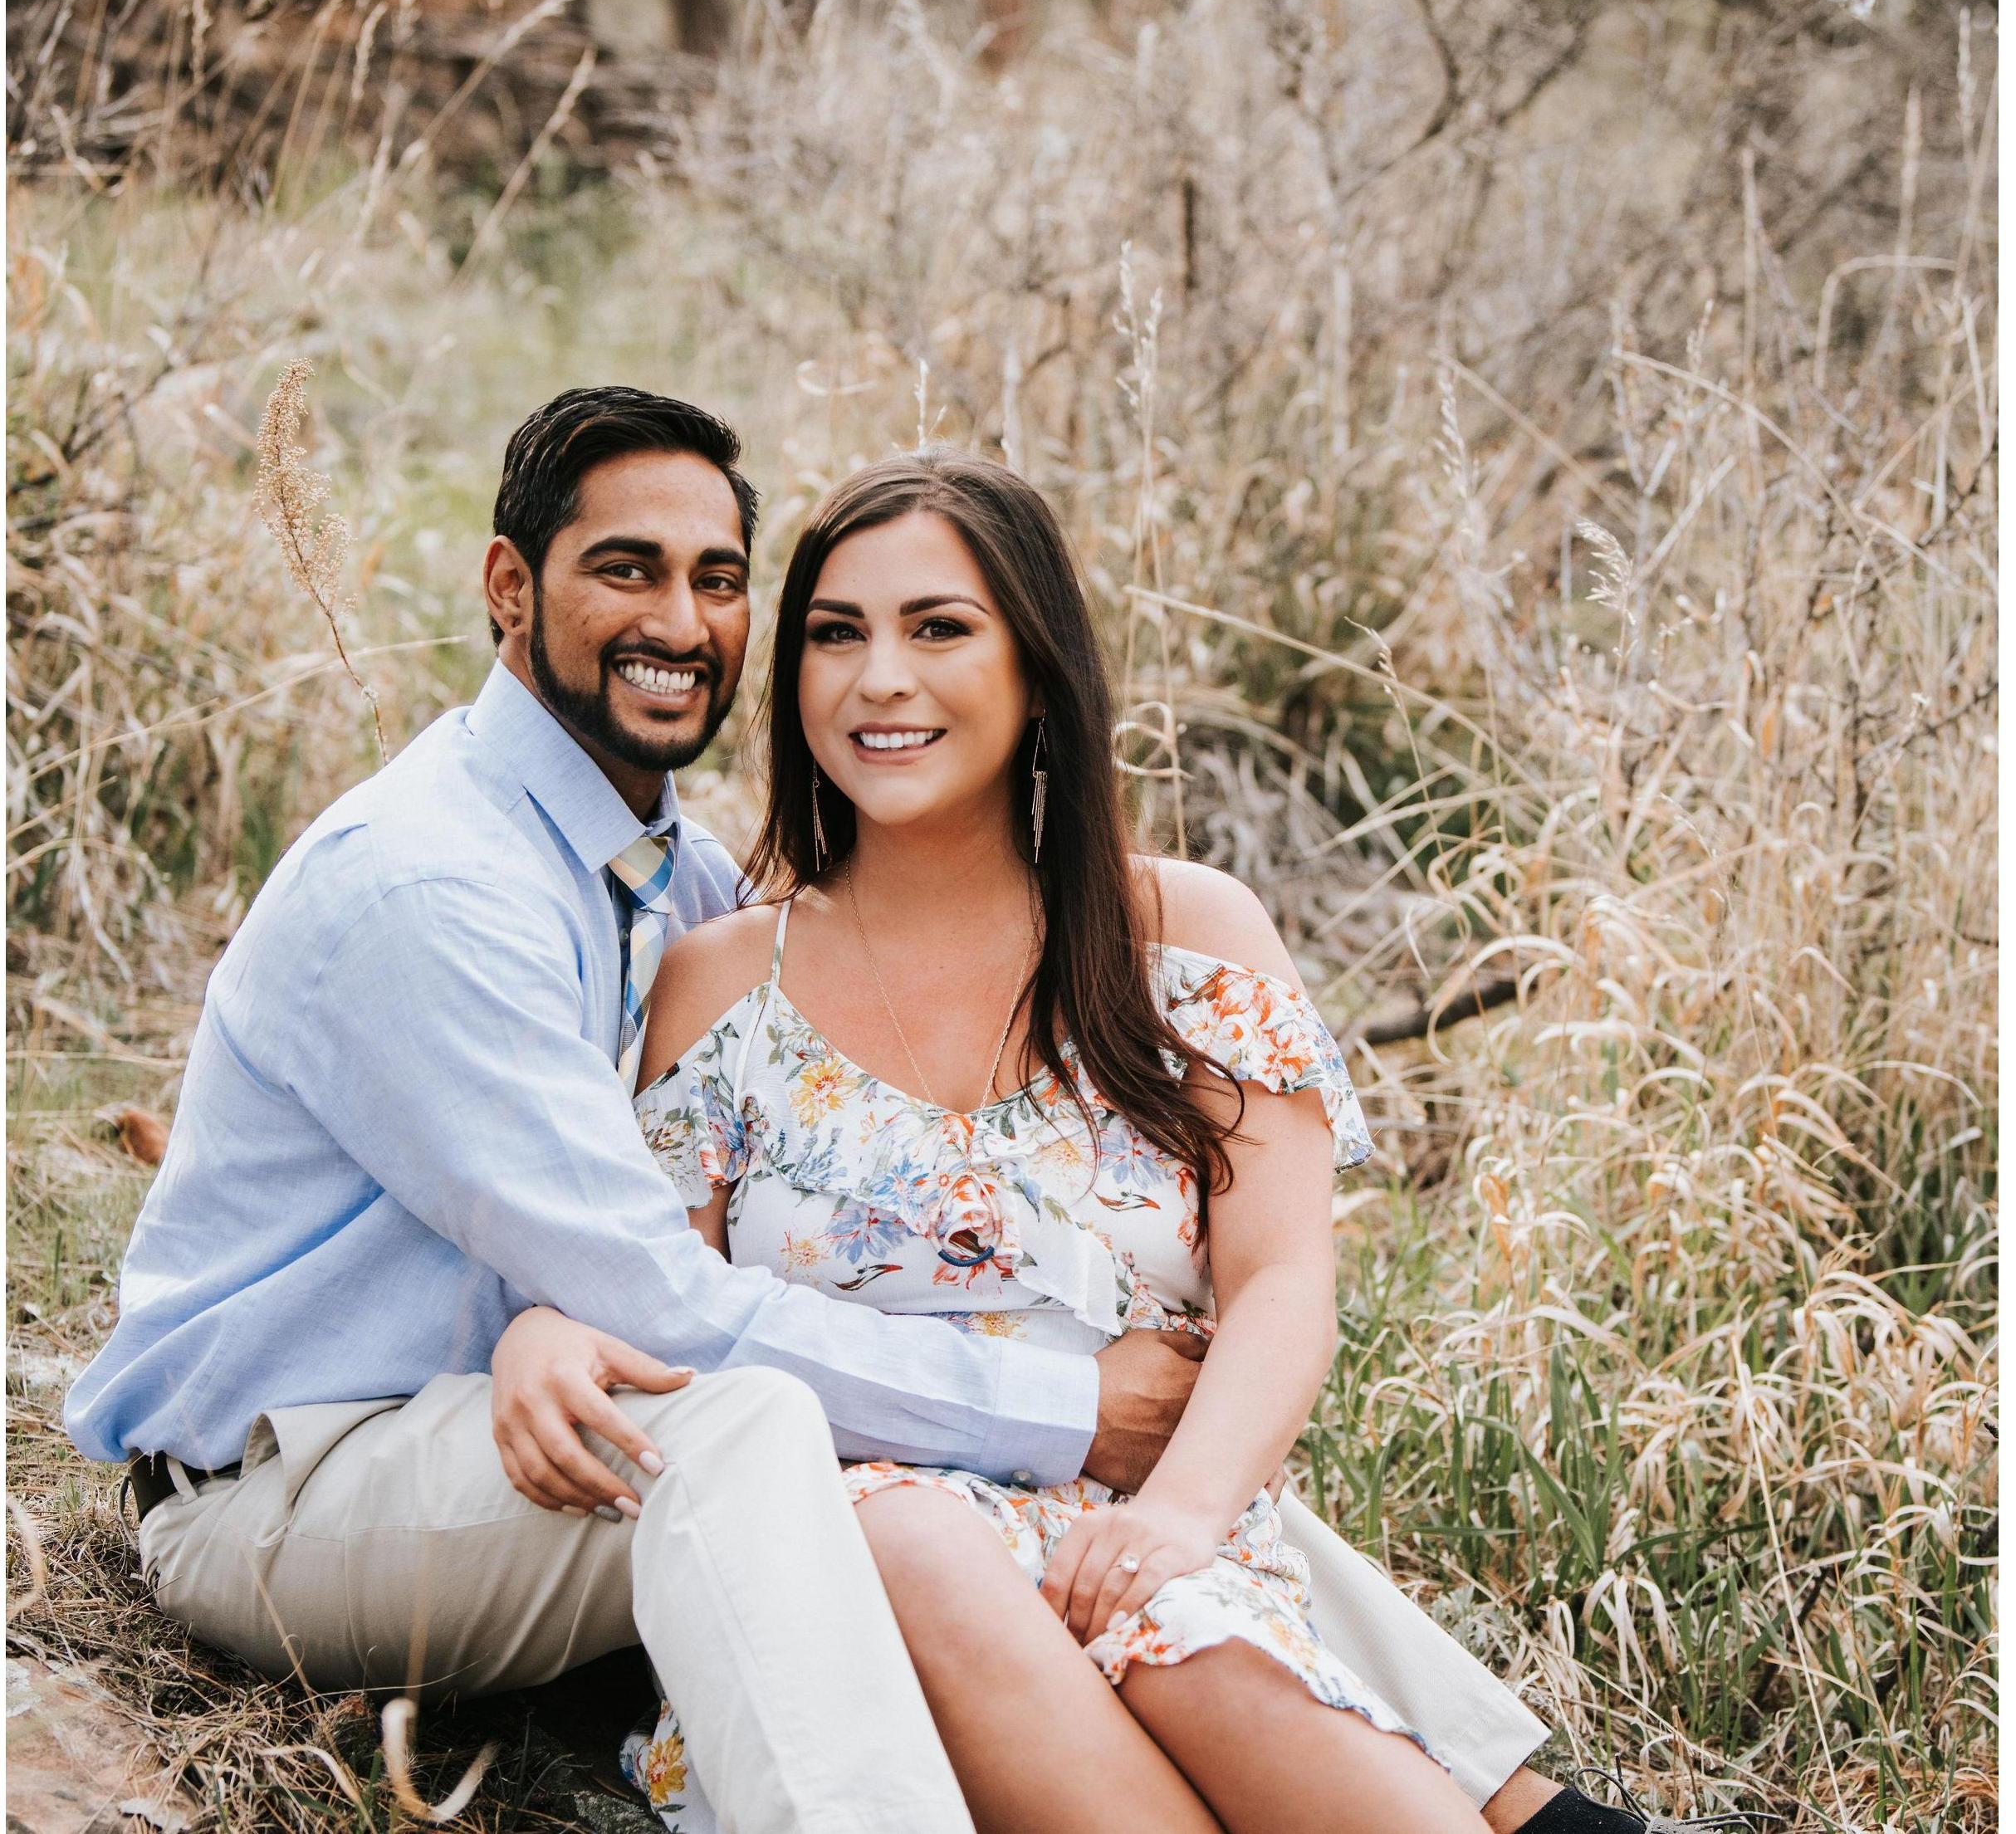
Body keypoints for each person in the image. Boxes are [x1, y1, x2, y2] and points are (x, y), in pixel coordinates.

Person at [64, 387, 1726, 1834]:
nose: (695, 620)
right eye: (629, 569)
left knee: (1142, 1575)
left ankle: (1531, 1809)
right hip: (308, 1478)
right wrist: (551, 1328)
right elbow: (653, 1292)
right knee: (805, 1456)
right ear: (508, 586)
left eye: (719, 579)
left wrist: (1158, 1495)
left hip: (868, 1494)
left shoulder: (671, 871)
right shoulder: (440, 885)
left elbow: (1271, 1283)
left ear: (1033, 660)